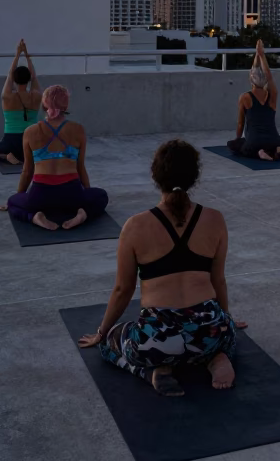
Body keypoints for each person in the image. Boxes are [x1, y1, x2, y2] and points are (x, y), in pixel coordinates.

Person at [77, 140, 245, 396]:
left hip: (157, 339)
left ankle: (152, 370)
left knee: (110, 343)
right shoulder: (215, 219)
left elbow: (123, 289)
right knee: (225, 333)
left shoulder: (135, 226)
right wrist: (225, 320)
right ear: (194, 177)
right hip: (210, 331)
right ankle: (217, 357)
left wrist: (101, 332)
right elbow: (218, 280)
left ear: (155, 176)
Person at [0, 84, 109, 231]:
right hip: (72, 194)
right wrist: (85, 199)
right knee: (102, 196)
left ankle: (35, 217)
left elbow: (27, 171)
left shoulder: (30, 132)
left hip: (40, 195)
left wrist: (19, 197)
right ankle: (83, 214)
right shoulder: (78, 130)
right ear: (66, 105)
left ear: (44, 105)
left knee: (13, 202)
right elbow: (80, 167)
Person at [227, 40, 280, 161]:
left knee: (234, 146)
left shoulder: (245, 97)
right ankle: (277, 149)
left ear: (251, 79)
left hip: (255, 142)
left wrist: (238, 139)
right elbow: (268, 75)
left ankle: (259, 153)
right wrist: (260, 55)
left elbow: (240, 123)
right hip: (273, 139)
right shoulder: (272, 95)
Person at [0, 39, 41, 165]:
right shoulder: (36, 96)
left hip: (12, 141)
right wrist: (27, 56)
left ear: (14, 79)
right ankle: (29, 156)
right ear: (28, 79)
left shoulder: (7, 96)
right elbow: (34, 76)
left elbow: (9, 75)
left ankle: (8, 156)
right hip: (32, 140)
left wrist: (18, 54)